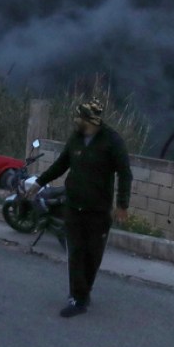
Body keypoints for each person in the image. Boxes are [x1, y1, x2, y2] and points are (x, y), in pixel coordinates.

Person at [28, 99, 132, 318]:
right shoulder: (75, 139)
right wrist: (39, 182)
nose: (75, 121)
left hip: (99, 210)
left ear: (89, 120)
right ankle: (77, 298)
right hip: (74, 206)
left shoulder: (112, 141)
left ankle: (84, 292)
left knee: (92, 256)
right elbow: (61, 165)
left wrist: (122, 205)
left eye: (78, 117)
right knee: (75, 253)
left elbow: (125, 173)